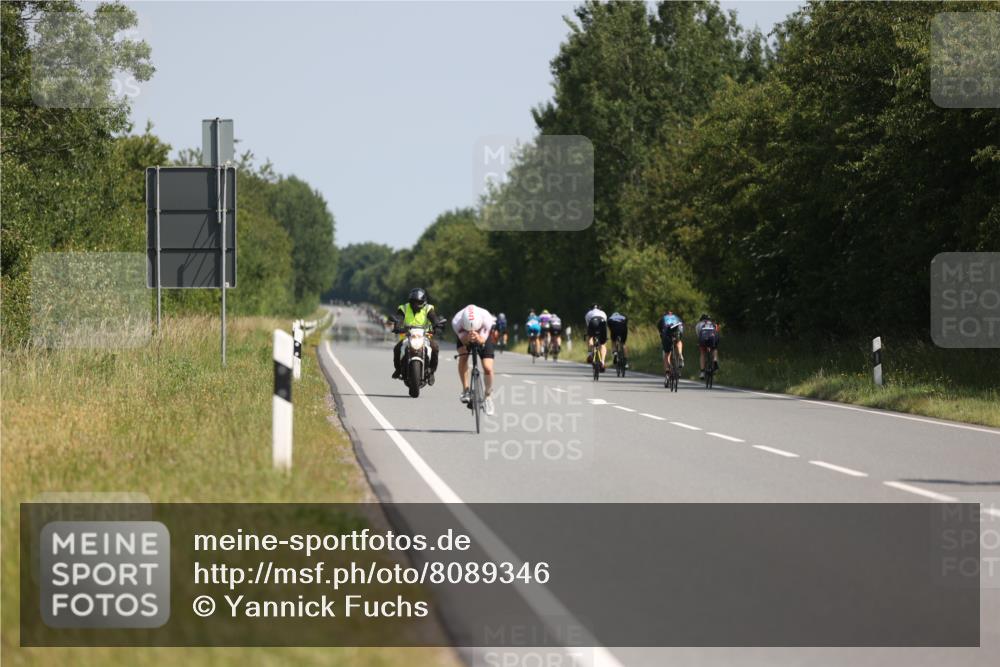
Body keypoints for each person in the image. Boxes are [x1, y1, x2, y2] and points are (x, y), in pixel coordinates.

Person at [391, 287, 445, 383]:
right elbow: (399, 318)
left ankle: (431, 371)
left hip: (425, 336)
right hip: (407, 336)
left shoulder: (428, 309)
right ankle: (398, 370)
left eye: (419, 302)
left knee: (435, 347)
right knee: (397, 348)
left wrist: (437, 327)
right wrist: (397, 326)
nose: (416, 304)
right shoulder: (403, 308)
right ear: (410, 301)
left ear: (424, 301)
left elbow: (434, 319)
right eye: (413, 302)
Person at [452, 304, 497, 416]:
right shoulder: (457, 322)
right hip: (464, 335)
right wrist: (467, 339)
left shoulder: (487, 319)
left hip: (483, 335)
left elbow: (482, 340)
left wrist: (478, 338)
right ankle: (465, 389)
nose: (473, 330)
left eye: (475, 328)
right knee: (463, 355)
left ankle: (488, 397)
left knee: (488, 368)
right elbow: (463, 341)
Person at [657, 310, 684, 378]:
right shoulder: (677, 317)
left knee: (667, 353)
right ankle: (680, 354)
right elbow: (681, 327)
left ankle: (667, 371)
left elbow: (660, 331)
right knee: (679, 341)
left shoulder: (662, 319)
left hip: (667, 333)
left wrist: (662, 338)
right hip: (677, 330)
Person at [695, 313, 720, 379]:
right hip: (712, 339)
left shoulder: (698, 324)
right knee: (714, 349)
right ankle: (715, 360)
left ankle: (702, 372)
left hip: (703, 340)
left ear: (701, 319)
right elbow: (717, 334)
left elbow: (698, 335)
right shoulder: (714, 324)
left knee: (702, 353)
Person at [584, 304, 608, 371]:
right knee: (603, 344)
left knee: (590, 337)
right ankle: (602, 362)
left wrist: (590, 335)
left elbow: (588, 326)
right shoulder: (603, 313)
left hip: (593, 322)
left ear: (591, 308)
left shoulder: (588, 313)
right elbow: (605, 323)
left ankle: (590, 354)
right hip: (602, 322)